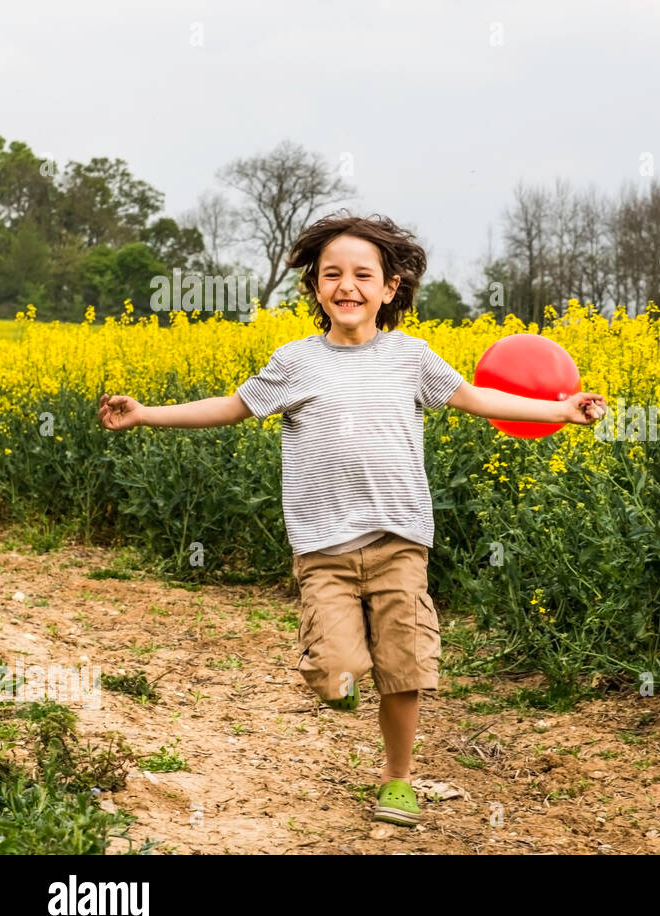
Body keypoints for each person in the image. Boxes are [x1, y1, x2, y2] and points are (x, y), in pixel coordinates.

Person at [98, 212, 607, 827]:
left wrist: (560, 408)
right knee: (337, 671)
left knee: (405, 665)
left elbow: (480, 400)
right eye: (332, 273)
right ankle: (339, 678)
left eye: (363, 274)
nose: (348, 285)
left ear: (389, 288)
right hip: (323, 548)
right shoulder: (296, 362)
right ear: (315, 288)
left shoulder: (412, 358)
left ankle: (398, 779)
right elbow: (233, 407)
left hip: (399, 541)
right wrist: (147, 413)